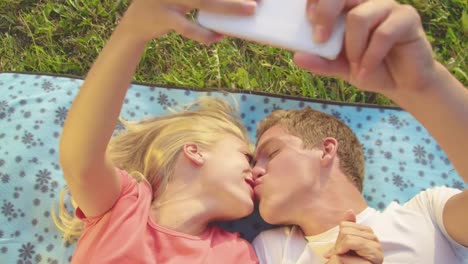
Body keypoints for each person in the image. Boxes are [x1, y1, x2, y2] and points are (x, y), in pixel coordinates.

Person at [52, 0, 385, 263]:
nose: (256, 171)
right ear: (195, 151)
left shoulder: (238, 254)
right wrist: (133, 32)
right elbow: (81, 158)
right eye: (246, 155)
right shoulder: (124, 206)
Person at [251, 0, 468, 263]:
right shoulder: (270, 249)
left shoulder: (426, 216)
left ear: (326, 150)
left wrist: (426, 86)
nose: (253, 173)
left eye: (271, 153)